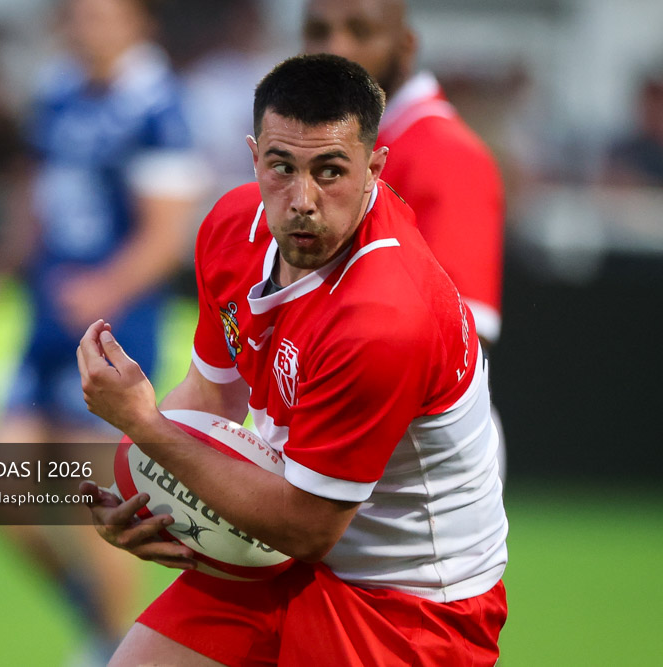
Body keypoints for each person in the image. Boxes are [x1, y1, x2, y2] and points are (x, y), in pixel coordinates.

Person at [78, 54, 508, 666]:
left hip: (409, 604)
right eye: (282, 167)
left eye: (330, 171)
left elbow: (308, 526)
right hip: (274, 554)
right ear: (254, 157)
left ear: (374, 169)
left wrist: (143, 427)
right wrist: (136, 494)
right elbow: (208, 395)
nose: (303, 200)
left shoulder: (384, 315)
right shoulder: (231, 227)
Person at [0, 0, 206, 655]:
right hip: (45, 325)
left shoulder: (157, 106)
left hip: (112, 333)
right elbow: (36, 205)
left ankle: (111, 645)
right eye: (79, 14)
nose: (87, 26)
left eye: (102, 14)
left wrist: (103, 287)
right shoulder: (59, 90)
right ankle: (95, 618)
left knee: (90, 507)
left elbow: (165, 234)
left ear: (139, 21)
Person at [301, 0, 508, 478]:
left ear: (406, 45)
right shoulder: (340, 151)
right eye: (317, 31)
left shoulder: (444, 152)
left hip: (417, 464)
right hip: (350, 436)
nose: (335, 48)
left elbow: (461, 336)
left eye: (359, 30)